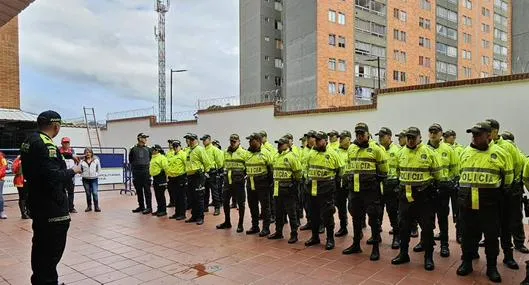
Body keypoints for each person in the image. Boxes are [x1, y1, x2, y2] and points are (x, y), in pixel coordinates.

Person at [20, 110, 82, 285]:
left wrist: (68, 155)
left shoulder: (30, 139)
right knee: (50, 253)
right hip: (52, 207)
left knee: (40, 249)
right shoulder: (47, 145)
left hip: (37, 203)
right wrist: (73, 171)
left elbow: (40, 162)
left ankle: (41, 280)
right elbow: (52, 176)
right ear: (56, 126)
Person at [456, 121, 513, 283]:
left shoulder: (501, 153)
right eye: (472, 134)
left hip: (490, 205)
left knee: (491, 237)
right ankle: (466, 262)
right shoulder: (465, 152)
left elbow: (507, 180)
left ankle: (491, 267)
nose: (474, 137)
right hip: (467, 204)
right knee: (467, 235)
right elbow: (461, 174)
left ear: (489, 136)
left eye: (478, 134)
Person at [391, 127, 442, 271]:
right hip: (405, 197)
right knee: (404, 227)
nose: (411, 140)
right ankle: (403, 254)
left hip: (423, 197)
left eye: (413, 137)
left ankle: (428, 257)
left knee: (426, 228)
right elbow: (397, 172)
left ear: (420, 137)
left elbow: (438, 175)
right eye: (408, 137)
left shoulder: (429, 153)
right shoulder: (400, 153)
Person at [342, 123, 388, 261]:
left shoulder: (376, 149)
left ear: (368, 134)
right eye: (357, 133)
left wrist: (374, 179)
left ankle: (375, 248)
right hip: (355, 190)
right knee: (356, 217)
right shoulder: (351, 148)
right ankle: (356, 244)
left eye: (362, 133)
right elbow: (349, 166)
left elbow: (384, 170)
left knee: (373, 219)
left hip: (370, 190)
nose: (360, 136)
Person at [486, 119, 525, 269]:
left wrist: (508, 187)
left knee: (507, 224)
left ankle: (508, 255)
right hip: (489, 195)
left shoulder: (508, 146)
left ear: (496, 131)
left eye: (489, 130)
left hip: (506, 193)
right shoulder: (484, 146)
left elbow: (517, 167)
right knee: (489, 224)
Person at [304, 131, 344, 250]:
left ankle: (330, 239)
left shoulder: (333, 153)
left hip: (326, 189)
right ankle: (315, 237)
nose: (316, 142)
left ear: (325, 141)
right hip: (312, 188)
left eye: (319, 140)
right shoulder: (311, 153)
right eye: (315, 140)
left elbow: (340, 170)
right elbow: (305, 168)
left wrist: (334, 184)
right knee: (313, 213)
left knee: (327, 214)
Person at [268, 137, 302, 243]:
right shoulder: (276, 156)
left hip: (288, 190)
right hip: (277, 189)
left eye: (281, 144)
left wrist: (294, 185)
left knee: (291, 213)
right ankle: (278, 232)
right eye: (278, 144)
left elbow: (298, 173)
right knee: (278, 213)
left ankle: (294, 234)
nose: (279, 146)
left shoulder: (292, 157)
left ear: (287, 145)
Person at [244, 133, 274, 237]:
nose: (249, 142)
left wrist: (269, 183)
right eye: (249, 140)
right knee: (252, 206)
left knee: (265, 207)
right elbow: (245, 168)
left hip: (262, 183)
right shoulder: (247, 153)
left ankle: (266, 228)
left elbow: (271, 170)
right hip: (250, 183)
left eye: (251, 140)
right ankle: (255, 226)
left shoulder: (266, 153)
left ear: (258, 141)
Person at [217, 134, 248, 233]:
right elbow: (224, 165)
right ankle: (227, 222)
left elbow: (247, 167)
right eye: (231, 141)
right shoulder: (226, 152)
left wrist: (243, 176)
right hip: (227, 182)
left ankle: (240, 224)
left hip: (238, 182)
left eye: (234, 141)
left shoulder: (244, 153)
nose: (232, 143)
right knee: (225, 202)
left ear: (239, 142)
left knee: (241, 204)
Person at [376, 127, 401, 249]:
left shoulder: (397, 151)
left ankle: (397, 236)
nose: (380, 138)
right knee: (377, 212)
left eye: (383, 136)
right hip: (379, 185)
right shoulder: (377, 150)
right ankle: (376, 235)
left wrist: (398, 185)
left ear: (390, 137)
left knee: (392, 212)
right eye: (379, 136)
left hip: (392, 185)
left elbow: (401, 169)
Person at [183, 133, 213, 225]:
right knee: (192, 197)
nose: (190, 141)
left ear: (196, 140)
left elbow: (207, 163)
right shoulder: (188, 150)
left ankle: (200, 217)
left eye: (191, 139)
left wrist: (205, 173)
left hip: (198, 176)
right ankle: (194, 216)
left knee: (199, 197)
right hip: (190, 176)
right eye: (188, 139)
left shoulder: (200, 149)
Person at [201, 134, 224, 216]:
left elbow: (220, 162)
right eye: (202, 140)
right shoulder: (202, 150)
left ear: (209, 140)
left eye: (205, 140)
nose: (203, 141)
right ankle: (205, 207)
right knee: (205, 191)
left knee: (214, 191)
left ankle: (217, 208)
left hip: (212, 172)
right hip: (204, 172)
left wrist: (217, 170)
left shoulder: (214, 149)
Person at [130, 133, 153, 214]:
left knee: (147, 190)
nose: (146, 139)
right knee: (139, 190)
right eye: (144, 137)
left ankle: (149, 207)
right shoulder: (133, 149)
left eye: (146, 138)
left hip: (146, 172)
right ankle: (141, 206)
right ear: (139, 138)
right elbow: (131, 160)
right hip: (137, 172)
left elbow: (151, 159)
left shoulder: (149, 149)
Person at [334, 130, 351, 238]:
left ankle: (360, 228)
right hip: (340, 182)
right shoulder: (336, 151)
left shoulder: (354, 150)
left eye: (342, 138)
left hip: (352, 181)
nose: (340, 140)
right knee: (340, 205)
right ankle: (343, 226)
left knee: (354, 206)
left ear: (349, 139)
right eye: (339, 138)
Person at [167, 140, 188, 220]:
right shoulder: (171, 154)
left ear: (180, 146)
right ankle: (177, 212)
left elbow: (187, 165)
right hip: (172, 178)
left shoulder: (183, 154)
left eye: (176, 146)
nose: (175, 148)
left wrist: (185, 177)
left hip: (180, 177)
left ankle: (182, 214)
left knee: (181, 197)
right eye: (174, 146)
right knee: (175, 196)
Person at [59, 137, 78, 213]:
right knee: (61, 191)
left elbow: (76, 160)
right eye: (64, 142)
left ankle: (71, 207)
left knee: (71, 192)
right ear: (61, 143)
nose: (66, 144)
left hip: (71, 174)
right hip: (62, 174)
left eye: (67, 143)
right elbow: (63, 155)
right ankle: (62, 207)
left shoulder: (72, 151)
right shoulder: (59, 150)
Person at [80, 148, 101, 212]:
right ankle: (89, 207)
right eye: (86, 152)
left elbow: (99, 169)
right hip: (85, 180)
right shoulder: (82, 161)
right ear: (84, 154)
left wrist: (96, 174)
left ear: (92, 153)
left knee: (95, 193)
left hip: (94, 179)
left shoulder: (96, 160)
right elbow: (80, 169)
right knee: (88, 193)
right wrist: (82, 174)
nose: (88, 153)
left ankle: (96, 207)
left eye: (89, 152)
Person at [150, 144, 169, 217]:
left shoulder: (162, 158)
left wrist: (167, 178)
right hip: (155, 178)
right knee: (157, 195)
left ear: (157, 150)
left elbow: (166, 168)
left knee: (161, 195)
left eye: (153, 149)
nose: (152, 151)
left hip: (161, 178)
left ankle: (163, 210)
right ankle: (159, 209)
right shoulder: (153, 157)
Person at [13, 155, 30, 219]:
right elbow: (15, 170)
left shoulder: (30, 158)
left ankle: (29, 212)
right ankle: (23, 213)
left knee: (28, 196)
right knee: (23, 197)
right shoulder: (18, 160)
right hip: (20, 180)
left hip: (28, 180)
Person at [166, 139, 177, 208]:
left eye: (171, 144)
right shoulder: (168, 153)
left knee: (176, 190)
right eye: (169, 144)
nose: (170, 145)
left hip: (175, 173)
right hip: (169, 173)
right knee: (170, 189)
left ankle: (176, 202)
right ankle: (172, 201)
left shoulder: (176, 152)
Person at [0, 152, 7, 219]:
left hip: (0, 179)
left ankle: (1, 211)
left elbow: (3, 167)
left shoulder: (1, 157)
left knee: (0, 196)